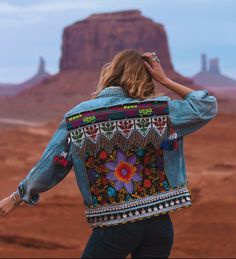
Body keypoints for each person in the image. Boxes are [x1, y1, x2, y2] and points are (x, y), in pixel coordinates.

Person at [0, 49, 218, 258]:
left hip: (115, 226)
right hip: (159, 225)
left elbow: (50, 165)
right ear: (147, 77)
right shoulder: (161, 110)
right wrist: (165, 80)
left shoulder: (78, 118)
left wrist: (17, 197)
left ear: (110, 73)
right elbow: (205, 106)